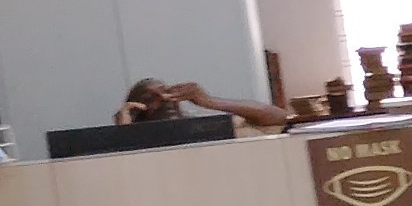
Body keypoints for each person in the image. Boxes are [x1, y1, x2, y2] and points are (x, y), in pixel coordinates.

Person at [116, 78, 293, 131]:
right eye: (150, 98)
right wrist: (123, 132)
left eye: (167, 92)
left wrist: (209, 101)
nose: (164, 99)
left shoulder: (208, 128)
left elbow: (282, 118)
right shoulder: (138, 145)